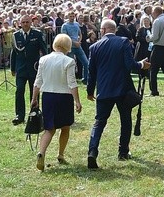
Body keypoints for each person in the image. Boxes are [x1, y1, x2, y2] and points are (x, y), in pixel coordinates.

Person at [86, 19, 150, 169]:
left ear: (102, 30)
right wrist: (141, 64)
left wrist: (90, 92)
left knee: (99, 123)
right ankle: (123, 151)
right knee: (125, 120)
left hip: (104, 90)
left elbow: (91, 73)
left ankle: (92, 151)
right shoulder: (123, 42)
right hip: (122, 89)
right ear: (114, 30)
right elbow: (130, 65)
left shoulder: (94, 47)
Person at [30, 34, 83, 171]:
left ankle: (41, 152)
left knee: (49, 129)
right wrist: (77, 101)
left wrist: (34, 98)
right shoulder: (69, 61)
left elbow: (38, 81)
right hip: (64, 97)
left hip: (47, 96)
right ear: (68, 46)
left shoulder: (43, 59)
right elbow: (72, 83)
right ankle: (60, 154)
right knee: (65, 127)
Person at [10, 15, 47, 125]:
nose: (25, 24)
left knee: (34, 92)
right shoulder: (16, 35)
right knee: (19, 90)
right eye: (23, 22)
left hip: (34, 68)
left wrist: (46, 64)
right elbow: (14, 52)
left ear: (31, 22)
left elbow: (44, 50)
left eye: (27, 22)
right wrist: (12, 68)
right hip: (21, 69)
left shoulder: (37, 34)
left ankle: (34, 113)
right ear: (20, 23)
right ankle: (19, 115)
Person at [61, 11, 89, 84]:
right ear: (68, 17)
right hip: (69, 47)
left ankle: (85, 79)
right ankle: (71, 80)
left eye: (73, 16)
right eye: (71, 16)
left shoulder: (76, 24)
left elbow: (80, 34)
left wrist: (79, 41)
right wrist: (74, 42)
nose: (72, 18)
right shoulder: (65, 25)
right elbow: (65, 37)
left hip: (78, 46)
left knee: (86, 63)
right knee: (71, 64)